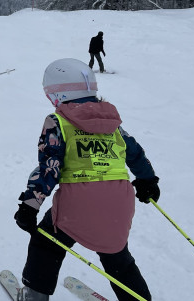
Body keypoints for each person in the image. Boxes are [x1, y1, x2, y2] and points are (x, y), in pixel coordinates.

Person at [12, 58, 159, 301]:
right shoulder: (113, 125)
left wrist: (30, 205)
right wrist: (148, 181)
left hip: (77, 204)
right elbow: (135, 153)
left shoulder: (57, 122)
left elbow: (50, 168)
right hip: (119, 204)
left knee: (46, 244)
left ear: (57, 94)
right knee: (117, 257)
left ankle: (34, 296)